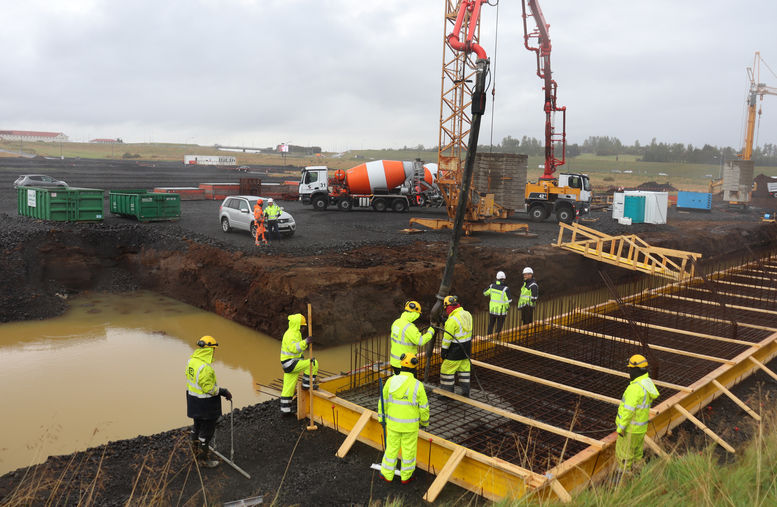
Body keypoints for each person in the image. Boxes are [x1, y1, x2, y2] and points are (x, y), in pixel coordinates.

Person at [377, 353, 429, 484]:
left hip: (393, 424)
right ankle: (406, 477)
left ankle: (386, 474)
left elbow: (383, 402)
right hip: (410, 427)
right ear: (414, 367)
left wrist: (381, 418)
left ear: (401, 365)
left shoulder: (390, 381)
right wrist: (424, 422)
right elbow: (424, 408)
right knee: (408, 451)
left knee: (391, 448)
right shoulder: (418, 385)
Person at [185, 335, 232, 468]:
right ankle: (203, 460)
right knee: (206, 432)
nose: (214, 351)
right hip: (205, 405)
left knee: (196, 427)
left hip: (193, 401)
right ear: (209, 350)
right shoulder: (205, 368)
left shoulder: (191, 362)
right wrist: (223, 391)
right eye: (213, 349)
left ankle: (195, 455)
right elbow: (209, 389)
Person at [615, 354, 659, 476]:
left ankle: (623, 479)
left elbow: (628, 411)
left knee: (624, 455)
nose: (629, 372)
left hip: (630, 429)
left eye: (630, 369)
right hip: (640, 429)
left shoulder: (635, 388)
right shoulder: (647, 384)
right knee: (637, 454)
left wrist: (621, 428)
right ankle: (639, 475)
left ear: (636, 370)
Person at [279, 313, 317, 415]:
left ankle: (285, 411)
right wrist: (306, 342)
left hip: (288, 363)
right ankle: (306, 384)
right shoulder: (291, 334)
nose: (303, 328)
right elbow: (294, 348)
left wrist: (305, 343)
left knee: (288, 387)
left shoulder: (295, 333)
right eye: (301, 326)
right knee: (313, 363)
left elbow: (299, 349)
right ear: (297, 325)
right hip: (291, 363)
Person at [439, 295, 473, 396]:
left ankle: (447, 394)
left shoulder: (452, 320)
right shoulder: (467, 314)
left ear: (448, 307)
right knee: (464, 370)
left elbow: (447, 339)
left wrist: (443, 351)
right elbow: (460, 327)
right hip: (467, 348)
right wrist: (445, 321)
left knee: (446, 370)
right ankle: (466, 392)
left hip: (456, 350)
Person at [390, 301, 434, 375]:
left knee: (398, 383)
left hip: (394, 362)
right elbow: (420, 341)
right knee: (410, 384)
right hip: (406, 363)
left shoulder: (396, 322)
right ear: (415, 314)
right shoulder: (409, 327)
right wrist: (431, 331)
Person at [483, 271, 512, 336]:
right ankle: (496, 340)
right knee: (499, 328)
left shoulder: (491, 286)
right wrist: (507, 308)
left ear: (496, 278)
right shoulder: (505, 289)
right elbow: (509, 301)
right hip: (501, 312)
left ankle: (488, 338)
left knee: (491, 325)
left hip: (492, 310)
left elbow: (485, 293)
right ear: (504, 279)